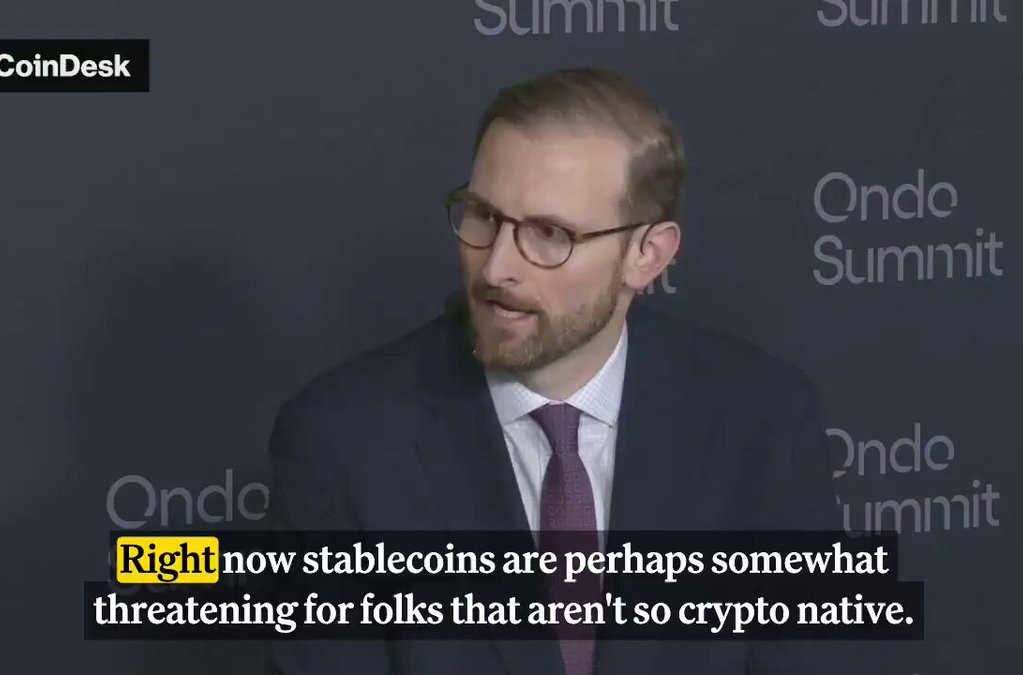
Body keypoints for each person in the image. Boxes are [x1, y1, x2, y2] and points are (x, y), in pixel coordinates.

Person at [266, 66, 851, 675]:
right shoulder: (342, 444)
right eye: (482, 215)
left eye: (550, 234)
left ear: (647, 255)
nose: (496, 268)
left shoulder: (762, 422)